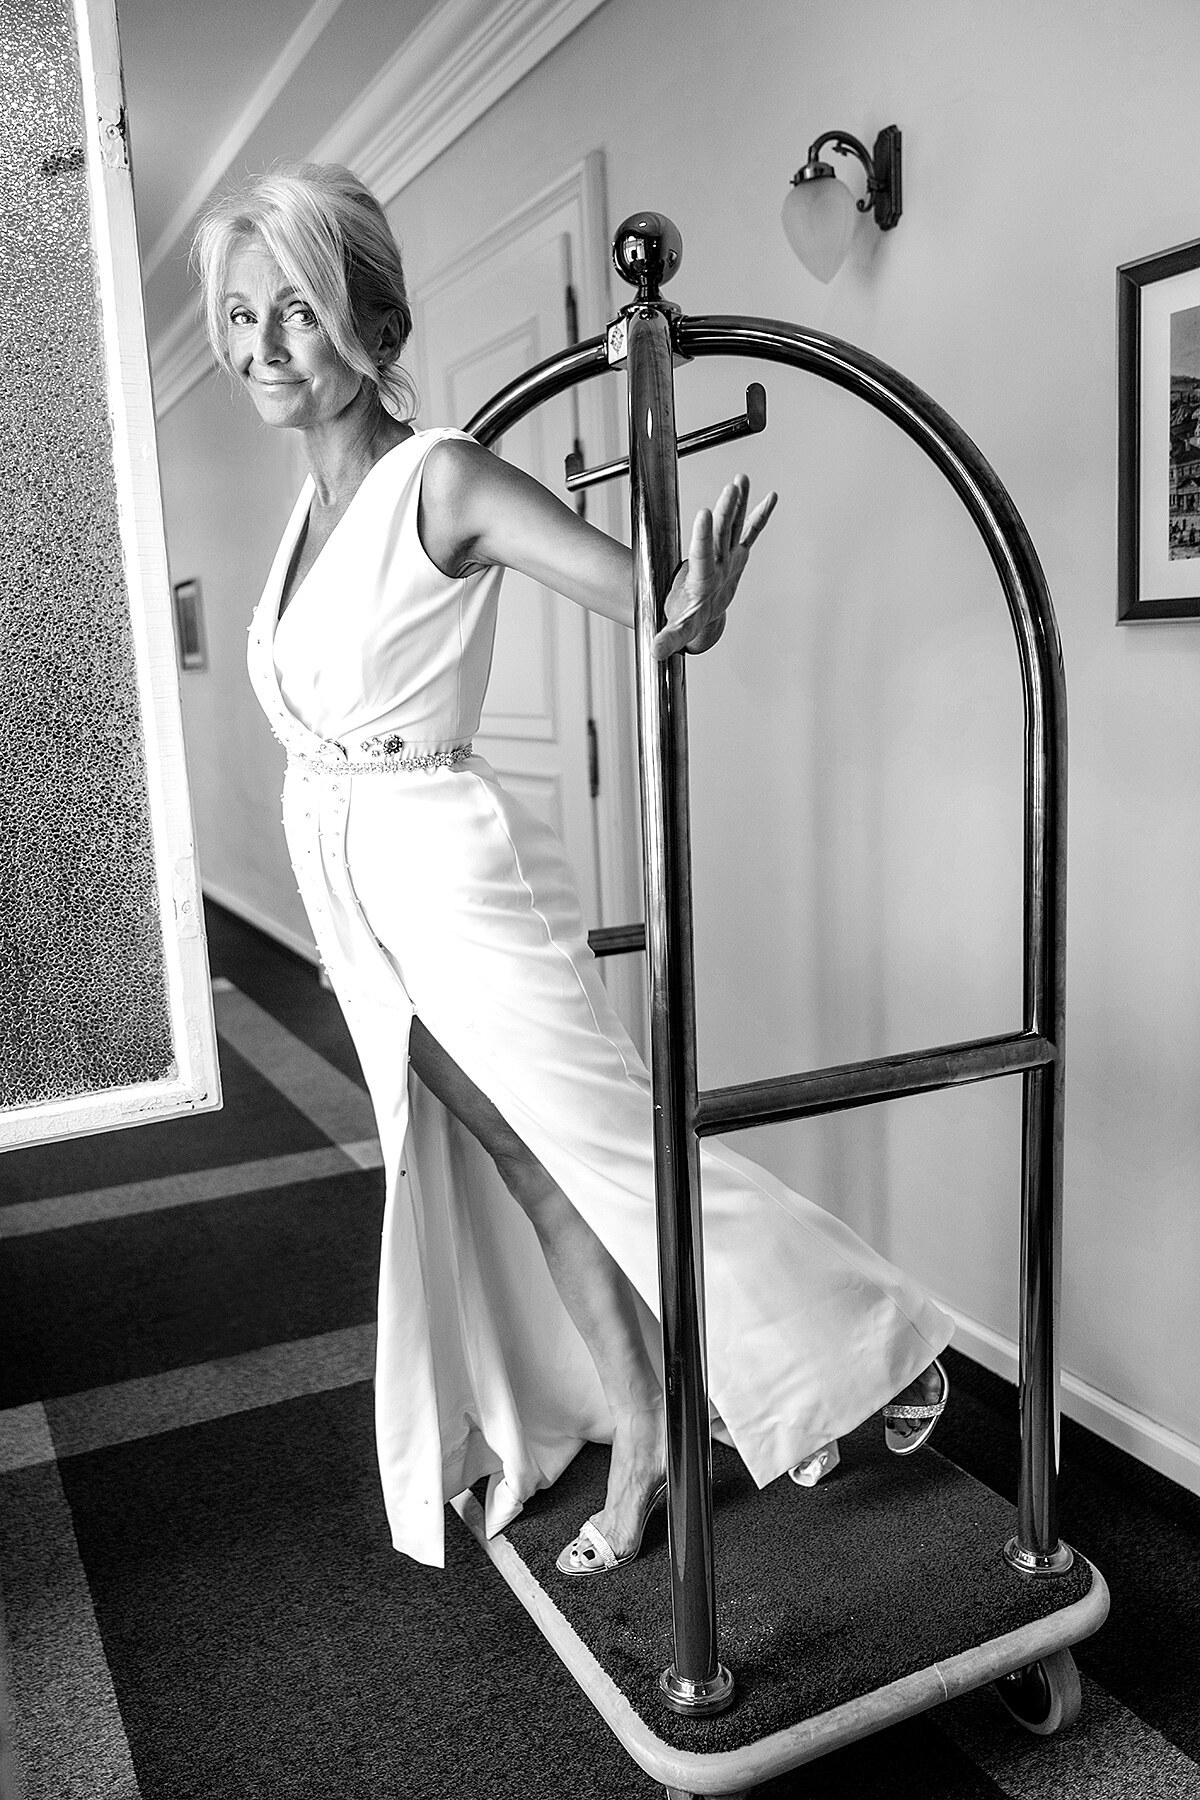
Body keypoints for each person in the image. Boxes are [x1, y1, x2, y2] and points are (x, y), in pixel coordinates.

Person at [193, 163, 952, 1575]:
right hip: (357, 893)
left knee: (604, 1141)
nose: (263, 346)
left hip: (449, 870)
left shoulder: (444, 476)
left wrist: (690, 602)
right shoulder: (304, 522)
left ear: (372, 320)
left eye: (295, 308)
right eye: (242, 316)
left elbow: (642, 593)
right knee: (515, 1157)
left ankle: (867, 1343)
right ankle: (649, 1418)